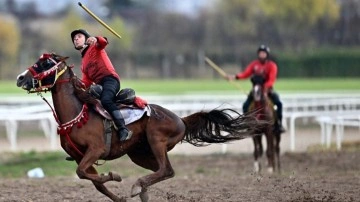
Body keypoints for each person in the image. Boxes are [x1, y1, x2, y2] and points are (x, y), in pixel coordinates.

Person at [71, 29, 132, 141]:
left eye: (79, 36)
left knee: (106, 100)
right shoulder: (83, 63)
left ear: (86, 38)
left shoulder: (95, 46)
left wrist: (96, 38)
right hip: (99, 85)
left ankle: (123, 129)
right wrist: (73, 81)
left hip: (110, 80)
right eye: (74, 39)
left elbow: (103, 42)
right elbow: (86, 83)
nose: (76, 39)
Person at [227, 45, 285, 133]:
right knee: (245, 105)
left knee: (279, 104)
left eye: (263, 53)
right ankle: (247, 124)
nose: (262, 55)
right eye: (260, 53)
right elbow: (245, 74)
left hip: (267, 89)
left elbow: (271, 79)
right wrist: (234, 77)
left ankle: (278, 124)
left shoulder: (272, 65)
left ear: (267, 54)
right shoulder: (254, 64)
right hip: (255, 90)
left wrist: (264, 87)